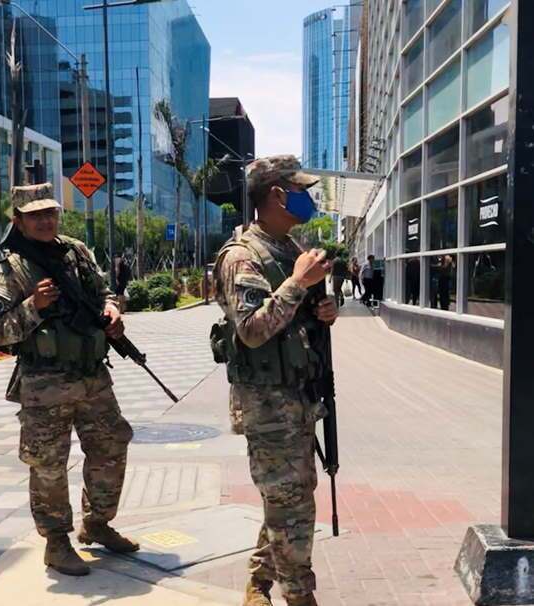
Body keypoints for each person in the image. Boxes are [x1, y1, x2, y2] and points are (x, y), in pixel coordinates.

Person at [0, 183, 138, 578]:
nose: (46, 220)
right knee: (49, 465)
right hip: (44, 384)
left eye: (50, 212)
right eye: (35, 215)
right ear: (18, 220)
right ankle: (56, 542)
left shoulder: (76, 252)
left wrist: (111, 309)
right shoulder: (9, 268)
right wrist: (33, 306)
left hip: (92, 376)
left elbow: (104, 291)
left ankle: (98, 522)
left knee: (112, 446)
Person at [212, 155, 338, 606]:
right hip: (267, 405)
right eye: (299, 190)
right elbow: (250, 330)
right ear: (277, 195)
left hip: (298, 397)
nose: (308, 198)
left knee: (290, 498)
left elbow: (296, 320)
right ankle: (299, 596)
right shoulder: (243, 256)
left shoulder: (290, 247)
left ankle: (258, 582)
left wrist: (323, 310)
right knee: (294, 508)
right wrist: (297, 286)